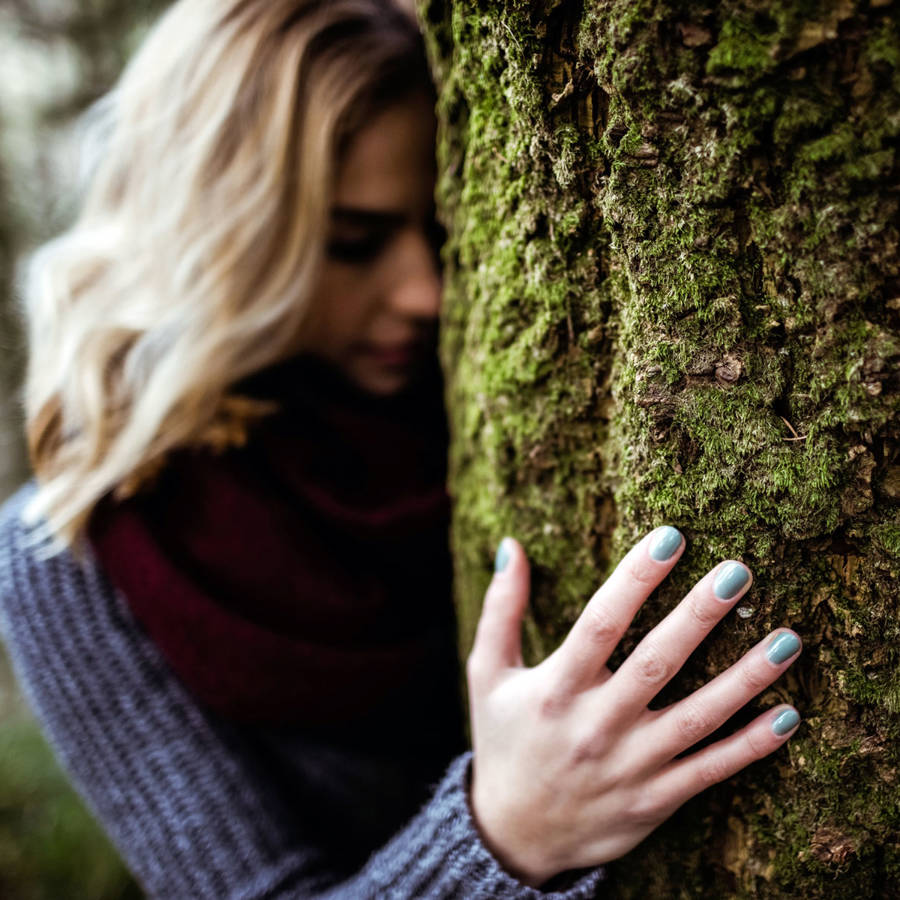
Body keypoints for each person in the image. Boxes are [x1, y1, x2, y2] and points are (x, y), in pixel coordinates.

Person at [0, 0, 803, 896]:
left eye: (442, 228)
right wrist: (504, 834)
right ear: (212, 236)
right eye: (353, 242)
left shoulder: (486, 390)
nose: (425, 292)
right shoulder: (70, 555)